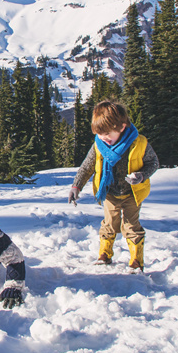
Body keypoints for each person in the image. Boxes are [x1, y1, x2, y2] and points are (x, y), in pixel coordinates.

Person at [68, 100, 159, 270]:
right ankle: (105, 254)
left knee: (131, 225)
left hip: (132, 193)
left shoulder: (139, 143)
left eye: (107, 133)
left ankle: (136, 260)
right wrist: (76, 186)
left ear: (122, 127)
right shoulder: (99, 145)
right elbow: (87, 167)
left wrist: (141, 175)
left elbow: (153, 163)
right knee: (109, 224)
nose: (104, 138)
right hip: (109, 193)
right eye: (100, 134)